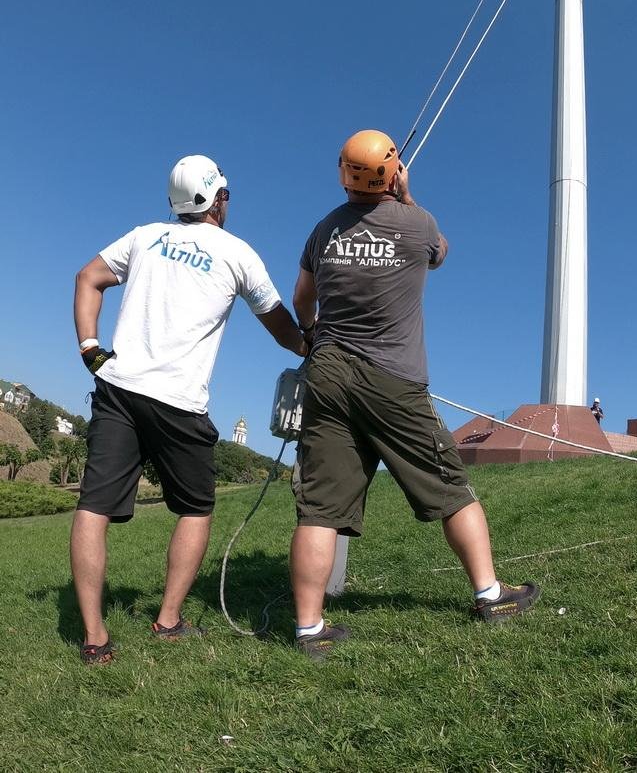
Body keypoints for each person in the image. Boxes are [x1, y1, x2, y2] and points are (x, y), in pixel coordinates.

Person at [289, 129, 539, 660]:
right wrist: (407, 196)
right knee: (449, 485)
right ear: (392, 171)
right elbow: (439, 254)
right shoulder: (417, 223)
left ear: (342, 171)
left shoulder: (323, 231)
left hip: (327, 372)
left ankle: (310, 629)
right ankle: (491, 596)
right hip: (393, 378)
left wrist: (310, 334)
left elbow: (302, 298)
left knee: (320, 507)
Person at [72, 155, 308, 665]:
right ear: (217, 199)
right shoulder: (237, 253)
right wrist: (313, 345)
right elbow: (280, 325)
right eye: (226, 194)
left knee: (93, 508)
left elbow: (87, 277)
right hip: (179, 402)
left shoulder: (143, 236)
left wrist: (90, 347)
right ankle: (169, 620)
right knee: (196, 508)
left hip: (117, 388)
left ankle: (94, 637)